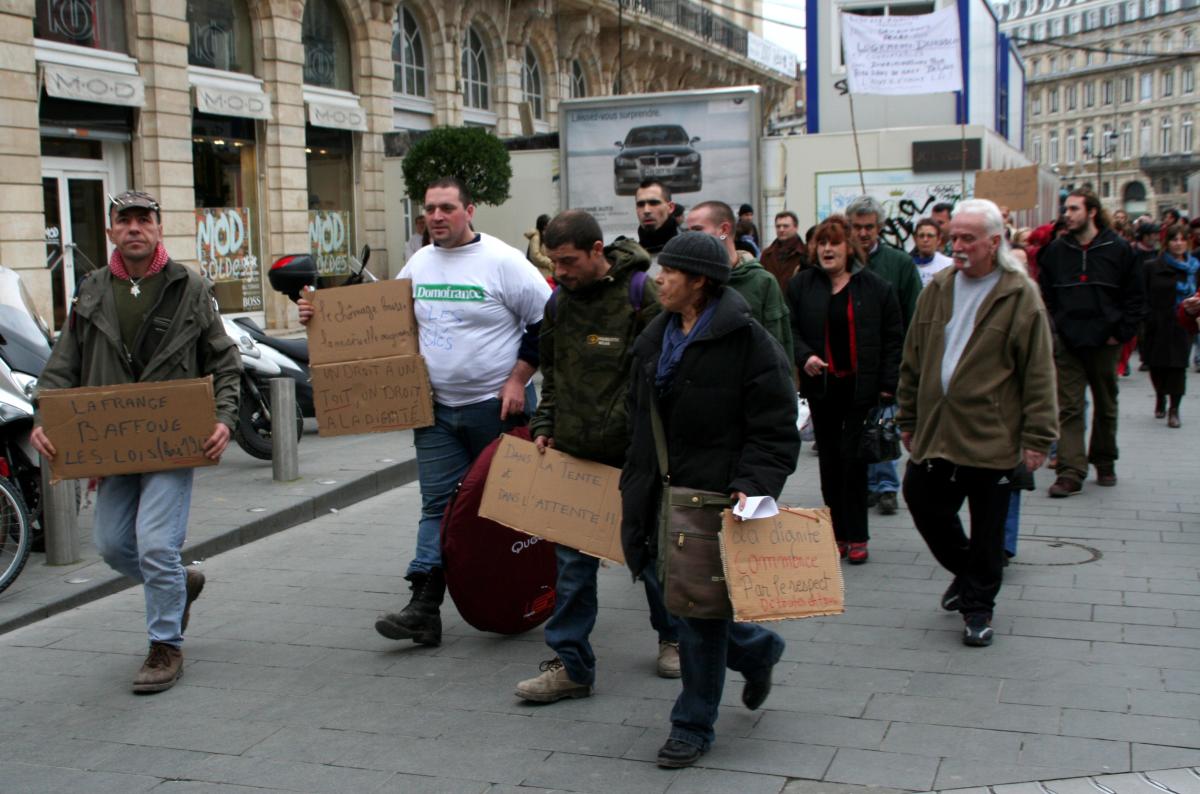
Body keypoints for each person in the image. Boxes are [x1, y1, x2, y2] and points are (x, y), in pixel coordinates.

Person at [300, 177, 551, 646]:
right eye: (429, 209)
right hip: (434, 412)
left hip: (498, 410)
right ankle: (424, 606)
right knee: (437, 505)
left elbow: (546, 321)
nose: (436, 216)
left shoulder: (503, 262)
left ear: (469, 210)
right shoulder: (418, 263)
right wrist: (320, 319)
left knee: (512, 508)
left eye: (447, 208)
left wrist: (518, 379)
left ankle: (529, 593)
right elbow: (383, 325)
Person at [31, 190, 241, 693]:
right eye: (124, 221)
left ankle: (165, 645)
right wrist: (47, 415)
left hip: (172, 441)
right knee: (111, 545)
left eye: (144, 220)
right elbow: (64, 365)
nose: (134, 229)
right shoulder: (92, 290)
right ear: (110, 232)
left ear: (159, 228)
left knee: (153, 545)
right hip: (113, 444)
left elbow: (224, 359)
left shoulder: (188, 285)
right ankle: (180, 582)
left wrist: (226, 418)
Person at [620, 232, 799, 768]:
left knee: (696, 617)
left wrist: (753, 482)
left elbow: (775, 429)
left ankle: (692, 725)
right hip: (655, 496)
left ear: (699, 281)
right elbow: (635, 418)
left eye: (669, 272)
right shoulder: (653, 337)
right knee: (670, 595)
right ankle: (756, 648)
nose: (657, 280)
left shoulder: (748, 342)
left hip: (709, 499)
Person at [514, 209, 680, 703]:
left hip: (633, 460)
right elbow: (554, 376)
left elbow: (665, 376)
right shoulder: (558, 305)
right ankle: (571, 666)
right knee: (571, 568)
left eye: (568, 261)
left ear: (596, 251)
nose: (560, 272)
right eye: (553, 262)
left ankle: (672, 637)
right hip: (574, 457)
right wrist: (545, 427)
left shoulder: (640, 296)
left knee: (647, 556)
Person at [898, 199, 1057, 647]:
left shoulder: (1018, 293)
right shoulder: (940, 286)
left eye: (968, 238)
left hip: (993, 433)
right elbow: (913, 358)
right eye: (955, 237)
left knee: (989, 528)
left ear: (994, 241)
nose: (958, 246)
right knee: (921, 498)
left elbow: (1039, 373)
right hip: (937, 429)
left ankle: (978, 608)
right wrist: (908, 415)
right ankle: (970, 575)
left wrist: (1038, 438)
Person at [787, 215, 903, 564]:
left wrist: (887, 386)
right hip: (822, 389)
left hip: (861, 390)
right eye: (821, 243)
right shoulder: (802, 285)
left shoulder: (876, 288)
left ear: (848, 248)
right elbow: (788, 329)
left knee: (853, 463)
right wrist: (804, 355)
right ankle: (836, 533)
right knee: (830, 465)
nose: (826, 250)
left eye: (833, 243)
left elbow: (893, 339)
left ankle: (858, 535)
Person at [1038, 188, 1145, 497]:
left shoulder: (1119, 249)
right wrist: (1058, 326)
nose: (1066, 215)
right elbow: (1046, 292)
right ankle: (1070, 470)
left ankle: (1104, 458)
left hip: (1105, 341)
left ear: (1092, 211)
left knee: (1106, 404)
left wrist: (1120, 332)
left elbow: (1135, 296)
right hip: (1069, 341)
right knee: (1069, 407)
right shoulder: (1057, 251)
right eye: (1065, 209)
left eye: (1073, 209)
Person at [845, 195, 922, 516]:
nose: (863, 234)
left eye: (869, 227)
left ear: (879, 228)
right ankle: (863, 486)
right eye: (857, 227)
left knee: (885, 422)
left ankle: (887, 487)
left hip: (888, 358)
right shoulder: (843, 264)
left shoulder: (899, 263)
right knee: (858, 428)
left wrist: (905, 359)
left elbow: (913, 313)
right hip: (851, 362)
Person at [685, 201, 794, 362]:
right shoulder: (693, 283)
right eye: (688, 232)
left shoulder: (762, 282)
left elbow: (779, 344)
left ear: (723, 230)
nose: (690, 238)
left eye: (697, 230)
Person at [1143, 223, 1198, 428]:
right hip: (1157, 322)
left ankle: (1174, 409)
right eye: (1174, 239)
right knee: (1156, 365)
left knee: (1178, 366)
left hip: (1183, 323)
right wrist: (1145, 317)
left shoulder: (1195, 268)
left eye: (1183, 239)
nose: (1179, 243)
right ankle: (1160, 396)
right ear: (1167, 242)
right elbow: (1143, 294)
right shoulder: (1153, 266)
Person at [760, 210, 807, 294]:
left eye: (785, 226)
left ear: (796, 227)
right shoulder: (767, 254)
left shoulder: (805, 254)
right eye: (778, 226)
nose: (781, 229)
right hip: (772, 303)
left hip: (796, 303)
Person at [635, 180, 680, 259]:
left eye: (654, 203)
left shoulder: (690, 250)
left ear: (670, 207)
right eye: (640, 204)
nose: (646, 211)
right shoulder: (629, 259)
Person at [911, 218, 954, 287]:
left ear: (939, 239)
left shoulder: (949, 265)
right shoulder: (907, 264)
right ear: (915, 239)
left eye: (930, 236)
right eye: (921, 236)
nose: (925, 240)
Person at [524, 213, 555, 280]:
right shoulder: (536, 237)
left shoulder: (547, 236)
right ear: (543, 226)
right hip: (539, 274)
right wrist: (549, 262)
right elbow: (535, 256)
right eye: (548, 224)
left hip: (546, 273)